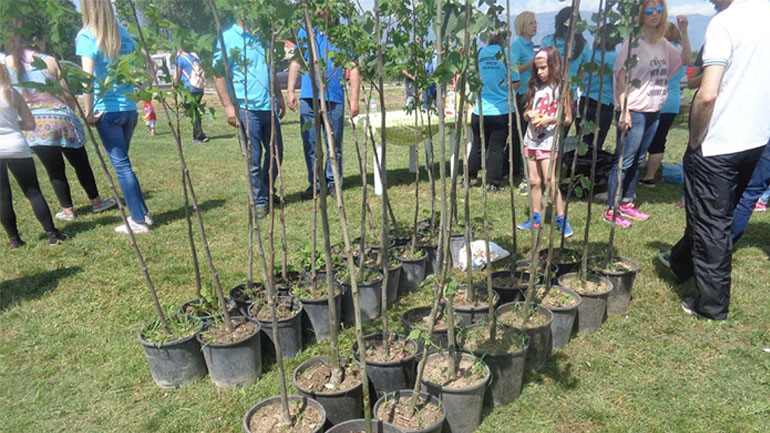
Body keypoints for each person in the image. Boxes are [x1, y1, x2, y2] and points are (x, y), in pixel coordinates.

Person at [661, 0, 770, 321]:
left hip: (719, 142)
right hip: (755, 137)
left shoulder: (725, 23)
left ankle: (712, 304)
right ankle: (681, 263)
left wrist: (695, 137)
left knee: (713, 224)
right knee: (711, 211)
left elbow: (706, 93)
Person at [6, 27, 115, 222]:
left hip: (35, 125)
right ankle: (97, 201)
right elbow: (67, 94)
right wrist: (70, 112)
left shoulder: (7, 63)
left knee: (54, 169)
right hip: (61, 118)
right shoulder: (49, 60)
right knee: (80, 163)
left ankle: (67, 210)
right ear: (36, 39)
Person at [605, 0, 690, 227]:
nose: (655, 15)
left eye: (659, 10)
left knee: (639, 159)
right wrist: (624, 111)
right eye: (650, 11)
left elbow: (685, 60)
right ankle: (612, 208)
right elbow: (621, 77)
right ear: (640, 15)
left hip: (653, 109)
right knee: (624, 159)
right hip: (634, 110)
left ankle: (627, 202)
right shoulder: (633, 43)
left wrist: (684, 32)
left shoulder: (662, 43)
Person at [76, 0, 152, 234]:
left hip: (106, 111)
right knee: (125, 165)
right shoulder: (124, 35)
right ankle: (143, 214)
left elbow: (86, 79)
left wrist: (88, 112)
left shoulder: (87, 36)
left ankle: (138, 220)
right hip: (128, 110)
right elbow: (151, 64)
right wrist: (141, 91)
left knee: (122, 167)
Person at [213, 17, 286, 219]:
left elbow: (270, 70)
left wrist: (278, 97)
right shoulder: (227, 38)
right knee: (253, 157)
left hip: (268, 106)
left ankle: (267, 191)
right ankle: (260, 201)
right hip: (246, 108)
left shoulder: (263, 36)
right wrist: (228, 105)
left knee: (277, 153)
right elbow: (217, 74)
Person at [287, 9, 360, 200]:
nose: (319, 10)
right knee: (310, 142)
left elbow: (353, 68)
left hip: (333, 98)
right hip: (308, 98)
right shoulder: (305, 33)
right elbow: (296, 62)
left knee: (333, 143)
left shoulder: (341, 35)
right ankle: (316, 183)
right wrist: (290, 92)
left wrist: (354, 99)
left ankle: (334, 182)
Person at [0, 62, 67, 247]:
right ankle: (52, 233)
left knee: (3, 197)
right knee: (33, 192)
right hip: (16, 145)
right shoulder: (13, 95)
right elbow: (30, 124)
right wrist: (13, 125)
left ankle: (14, 240)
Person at [517, 46, 574, 237]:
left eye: (544, 68)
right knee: (533, 180)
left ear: (554, 65)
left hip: (548, 141)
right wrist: (529, 114)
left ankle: (561, 219)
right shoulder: (535, 88)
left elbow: (567, 119)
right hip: (531, 140)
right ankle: (535, 218)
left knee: (550, 180)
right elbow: (525, 113)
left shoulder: (561, 89)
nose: (540, 72)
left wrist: (549, 119)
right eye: (537, 68)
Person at [640, 22, 690, 186]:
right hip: (672, 101)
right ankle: (650, 176)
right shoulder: (681, 53)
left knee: (642, 136)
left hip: (654, 98)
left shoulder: (661, 50)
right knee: (660, 139)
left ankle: (636, 168)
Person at [469, 31, 520, 190]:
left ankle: (468, 177)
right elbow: (516, 82)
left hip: (480, 110)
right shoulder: (507, 54)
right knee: (495, 148)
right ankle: (492, 182)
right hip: (501, 110)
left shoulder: (480, 53)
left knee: (477, 144)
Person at [575, 24, 620, 151]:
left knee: (585, 139)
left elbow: (581, 78)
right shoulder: (615, 57)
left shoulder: (589, 54)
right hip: (605, 102)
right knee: (597, 142)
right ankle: (592, 167)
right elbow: (616, 83)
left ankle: (582, 165)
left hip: (586, 100)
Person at [510, 11, 537, 189]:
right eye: (531, 24)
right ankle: (516, 168)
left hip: (531, 92)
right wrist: (532, 63)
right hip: (522, 94)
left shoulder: (530, 45)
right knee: (521, 132)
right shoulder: (517, 46)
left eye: (535, 23)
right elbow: (514, 69)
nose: (535, 26)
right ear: (523, 26)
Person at [174, 48, 209, 143]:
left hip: (188, 88)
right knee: (195, 111)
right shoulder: (195, 57)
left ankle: (199, 135)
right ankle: (199, 134)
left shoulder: (180, 59)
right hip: (198, 87)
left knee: (191, 112)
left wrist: (174, 87)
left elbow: (177, 75)